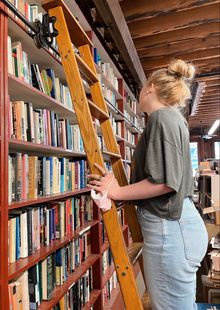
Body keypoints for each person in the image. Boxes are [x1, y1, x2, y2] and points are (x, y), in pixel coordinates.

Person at [88, 59, 208, 310]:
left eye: (142, 86)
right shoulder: (171, 119)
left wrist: (118, 192)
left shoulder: (161, 117)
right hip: (175, 228)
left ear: (150, 88)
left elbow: (164, 181)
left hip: (170, 230)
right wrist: (115, 183)